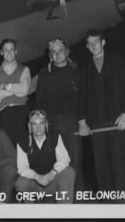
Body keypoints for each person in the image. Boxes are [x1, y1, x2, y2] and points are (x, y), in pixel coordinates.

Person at [78, 29, 125, 193]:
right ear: (87, 47)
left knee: (118, 163)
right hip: (96, 125)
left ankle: (122, 202)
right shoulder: (85, 69)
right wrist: (82, 122)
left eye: (96, 42)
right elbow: (82, 98)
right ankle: (107, 203)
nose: (94, 45)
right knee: (101, 166)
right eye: (90, 43)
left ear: (103, 42)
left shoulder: (117, 62)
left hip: (117, 122)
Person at [36, 38, 83, 191]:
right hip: (51, 124)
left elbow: (83, 98)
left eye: (60, 50)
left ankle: (77, 197)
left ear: (67, 52)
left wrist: (83, 122)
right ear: (50, 55)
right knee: (53, 162)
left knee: (73, 161)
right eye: (53, 52)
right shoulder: (44, 75)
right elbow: (40, 102)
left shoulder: (76, 72)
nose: (57, 54)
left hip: (71, 122)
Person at [15, 110, 75, 203]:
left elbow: (64, 159)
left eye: (41, 123)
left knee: (69, 172)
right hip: (35, 183)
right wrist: (37, 177)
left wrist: (53, 173)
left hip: (52, 180)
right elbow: (22, 168)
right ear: (30, 126)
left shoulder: (55, 136)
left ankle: (64, 211)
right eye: (34, 124)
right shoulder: (22, 142)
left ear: (46, 124)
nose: (38, 128)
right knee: (21, 182)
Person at [0, 38, 31, 146]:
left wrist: (5, 87)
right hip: (1, 114)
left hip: (20, 112)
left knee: (23, 148)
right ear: (1, 52)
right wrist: (15, 90)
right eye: (6, 50)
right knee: (3, 147)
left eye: (11, 49)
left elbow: (24, 90)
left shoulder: (25, 69)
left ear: (16, 51)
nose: (9, 52)